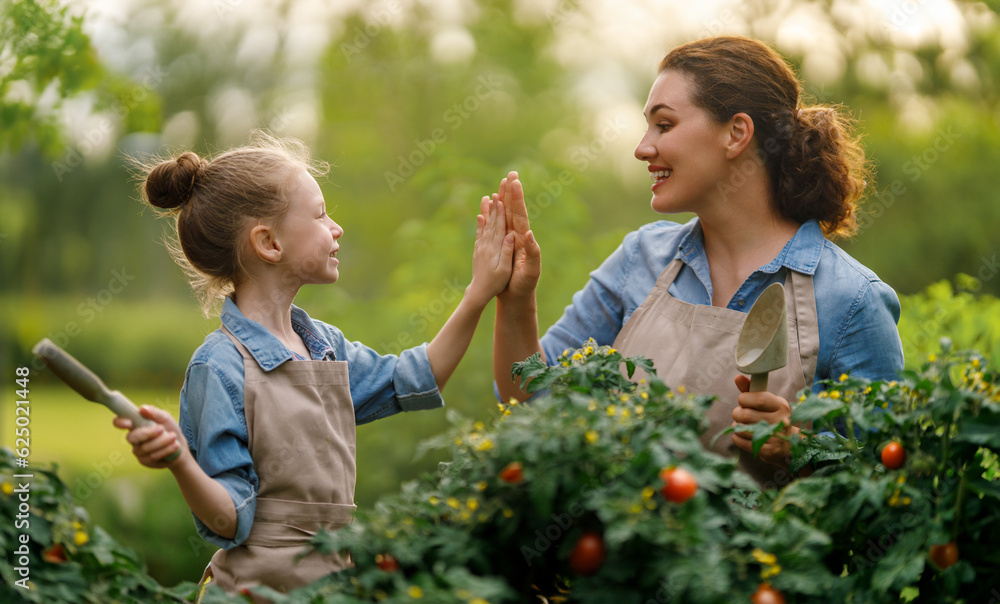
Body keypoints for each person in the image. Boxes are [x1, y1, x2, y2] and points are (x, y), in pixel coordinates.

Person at [492, 36, 904, 488]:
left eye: (664, 125)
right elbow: (531, 402)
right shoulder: (640, 259)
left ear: (736, 134)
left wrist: (798, 451)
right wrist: (517, 299)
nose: (642, 148)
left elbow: (885, 493)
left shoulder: (851, 300)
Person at [114, 133, 515, 595]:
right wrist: (180, 461)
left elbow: (418, 377)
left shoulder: (325, 345)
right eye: (321, 213)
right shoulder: (219, 367)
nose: (336, 227)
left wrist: (479, 292)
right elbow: (229, 520)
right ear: (268, 242)